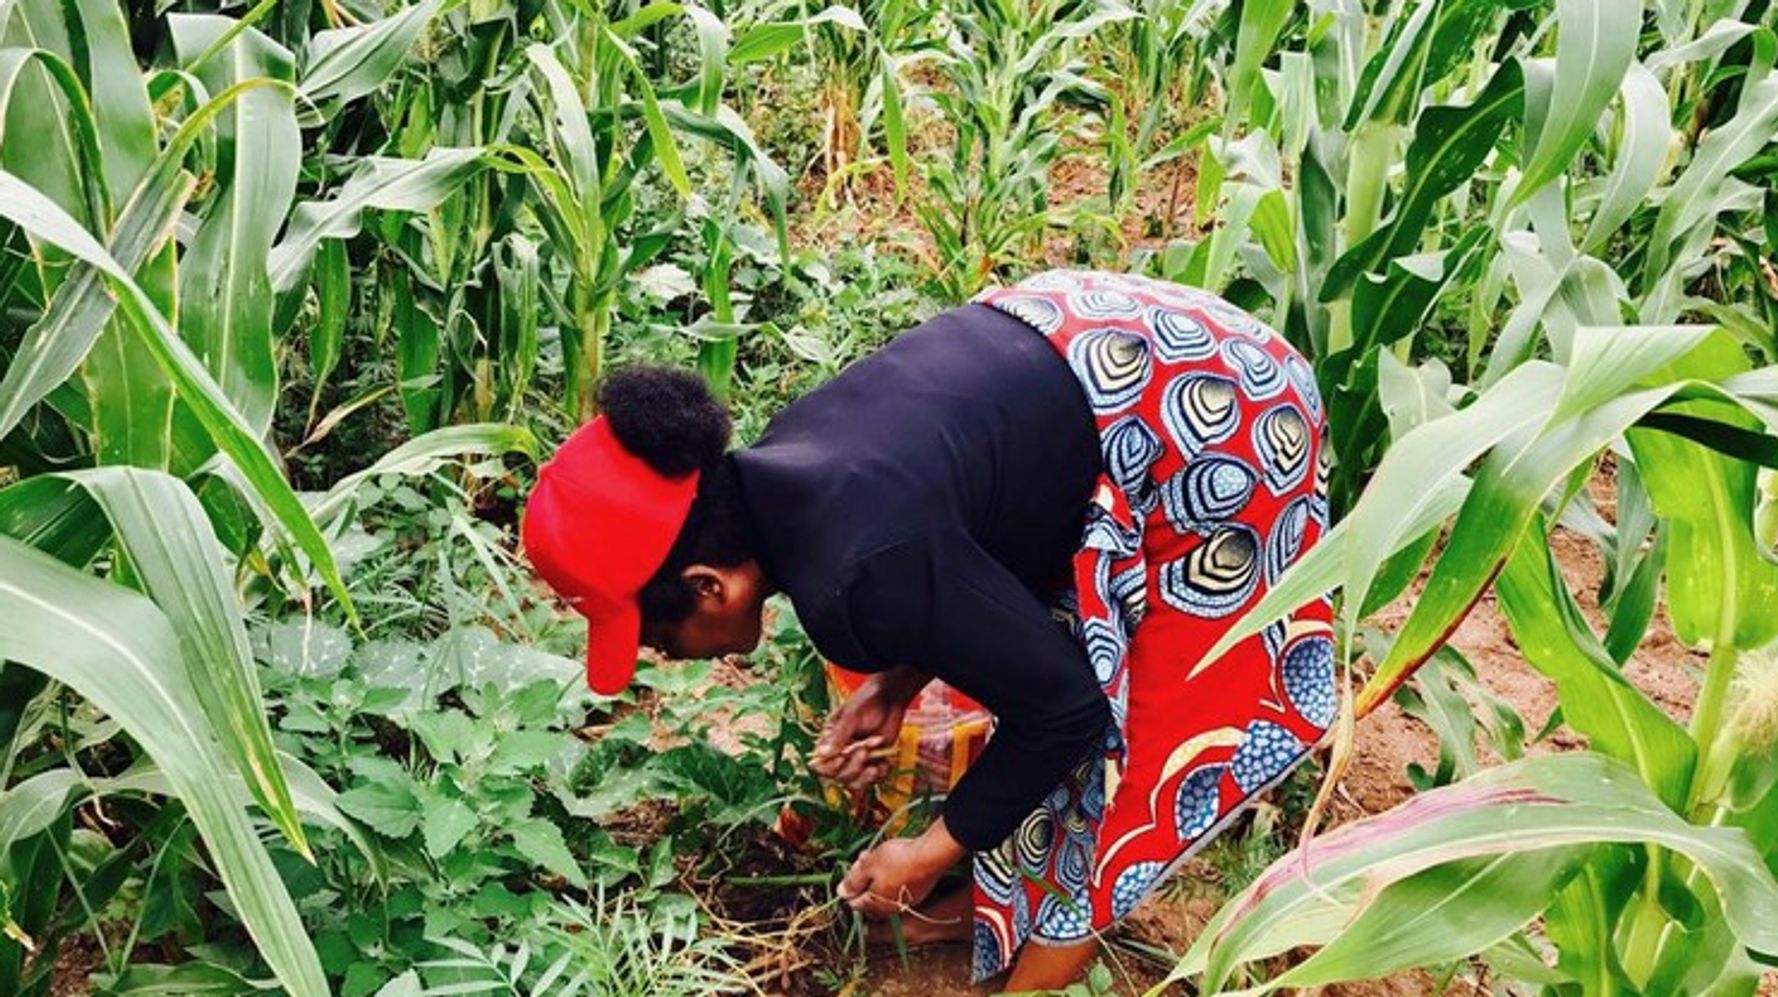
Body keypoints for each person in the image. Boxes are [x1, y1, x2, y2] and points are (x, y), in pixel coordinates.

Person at [520, 269, 1335, 990]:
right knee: (1049, 666)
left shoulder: (854, 578)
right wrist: (892, 685)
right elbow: (946, 528)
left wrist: (930, 848)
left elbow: (1066, 711)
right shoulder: (787, 469)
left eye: (656, 639)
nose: (661, 655)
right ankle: (989, 906)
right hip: (1097, 334)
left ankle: (1042, 968)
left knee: (1136, 752)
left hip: (1217, 414)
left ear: (709, 586)